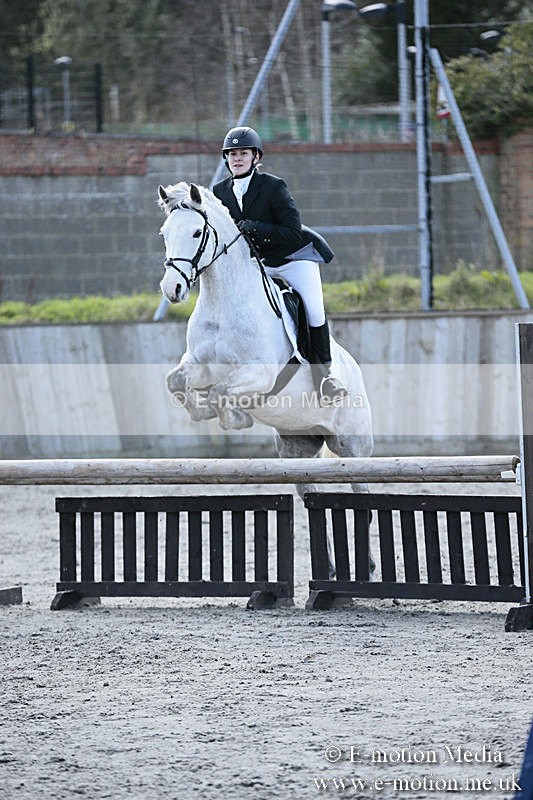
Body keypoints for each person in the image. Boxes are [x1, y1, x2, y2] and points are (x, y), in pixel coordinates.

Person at [213, 125, 347, 403]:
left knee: (313, 309)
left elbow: (292, 231)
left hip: (293, 258)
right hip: (258, 263)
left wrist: (255, 227)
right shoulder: (219, 192)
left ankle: (325, 379)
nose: (237, 158)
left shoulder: (274, 186)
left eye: (243, 153)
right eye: (232, 154)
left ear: (255, 156)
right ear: (226, 159)